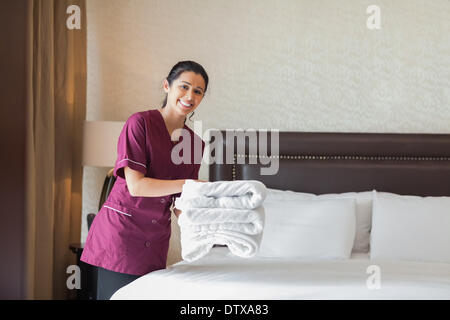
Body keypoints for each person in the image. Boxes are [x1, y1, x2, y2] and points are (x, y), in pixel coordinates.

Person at [80, 60, 209, 300]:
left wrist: (204, 225)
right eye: (184, 86)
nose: (190, 95)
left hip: (155, 240)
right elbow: (136, 186)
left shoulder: (195, 144)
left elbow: (182, 201)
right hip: (121, 235)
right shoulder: (140, 124)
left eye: (198, 91)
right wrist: (188, 185)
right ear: (166, 86)